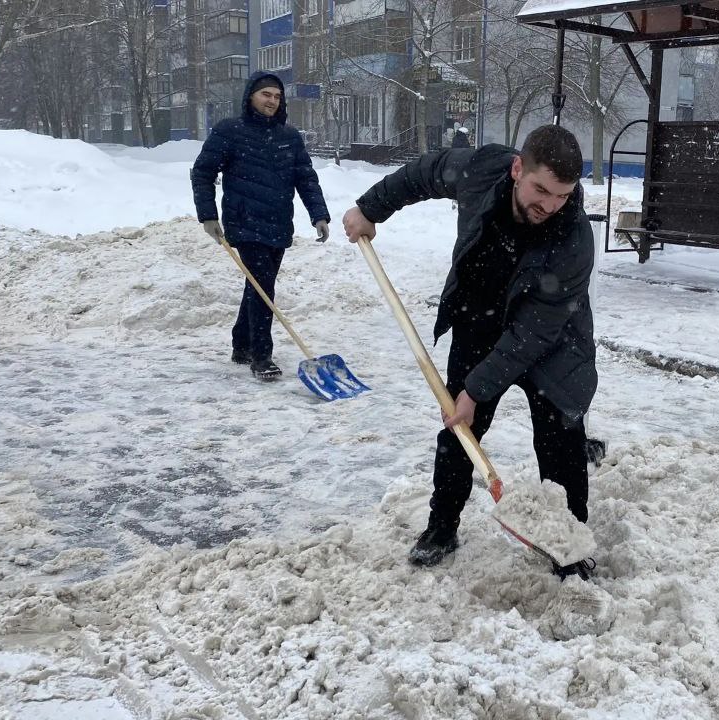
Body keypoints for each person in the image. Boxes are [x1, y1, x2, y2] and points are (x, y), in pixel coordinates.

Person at [342, 125, 597, 580]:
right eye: (540, 190)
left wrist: (478, 389)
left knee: (562, 441)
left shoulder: (573, 237)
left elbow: (533, 332)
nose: (550, 205)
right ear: (517, 169)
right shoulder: (481, 170)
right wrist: (370, 208)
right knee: (459, 430)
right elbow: (426, 172)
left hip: (553, 342)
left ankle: (568, 545)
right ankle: (442, 528)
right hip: (478, 317)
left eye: (562, 195)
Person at [191, 71, 331, 381]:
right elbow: (203, 172)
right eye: (266, 94)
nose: (272, 100)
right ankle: (261, 355)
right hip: (245, 221)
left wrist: (318, 214)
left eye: (277, 96)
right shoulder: (230, 131)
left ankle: (241, 344)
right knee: (263, 285)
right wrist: (208, 215)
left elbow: (306, 178)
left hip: (278, 223)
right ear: (251, 96)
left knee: (257, 285)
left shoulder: (289, 136)